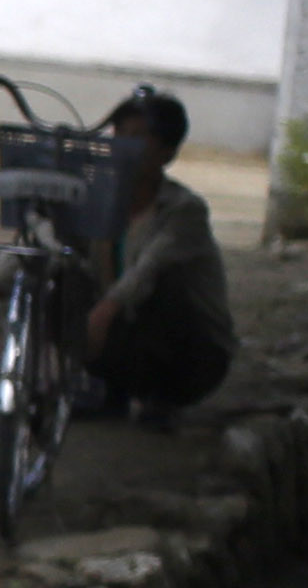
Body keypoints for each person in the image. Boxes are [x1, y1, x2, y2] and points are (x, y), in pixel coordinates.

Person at [82, 85, 236, 422]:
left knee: (165, 286)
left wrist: (106, 310)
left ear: (166, 152)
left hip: (193, 357)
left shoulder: (184, 210)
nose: (122, 146)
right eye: (119, 134)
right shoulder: (100, 201)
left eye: (137, 137)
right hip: (123, 334)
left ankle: (160, 398)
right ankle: (107, 391)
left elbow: (148, 269)